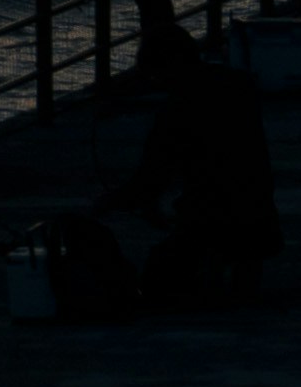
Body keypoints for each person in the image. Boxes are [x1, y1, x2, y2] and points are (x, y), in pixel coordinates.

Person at [101, 32, 278, 313]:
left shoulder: (179, 108)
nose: (156, 82)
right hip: (259, 214)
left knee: (155, 281)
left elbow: (152, 173)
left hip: (214, 215)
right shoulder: (237, 85)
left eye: (155, 74)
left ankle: (211, 276)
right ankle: (238, 278)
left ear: (168, 67)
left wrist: (111, 202)